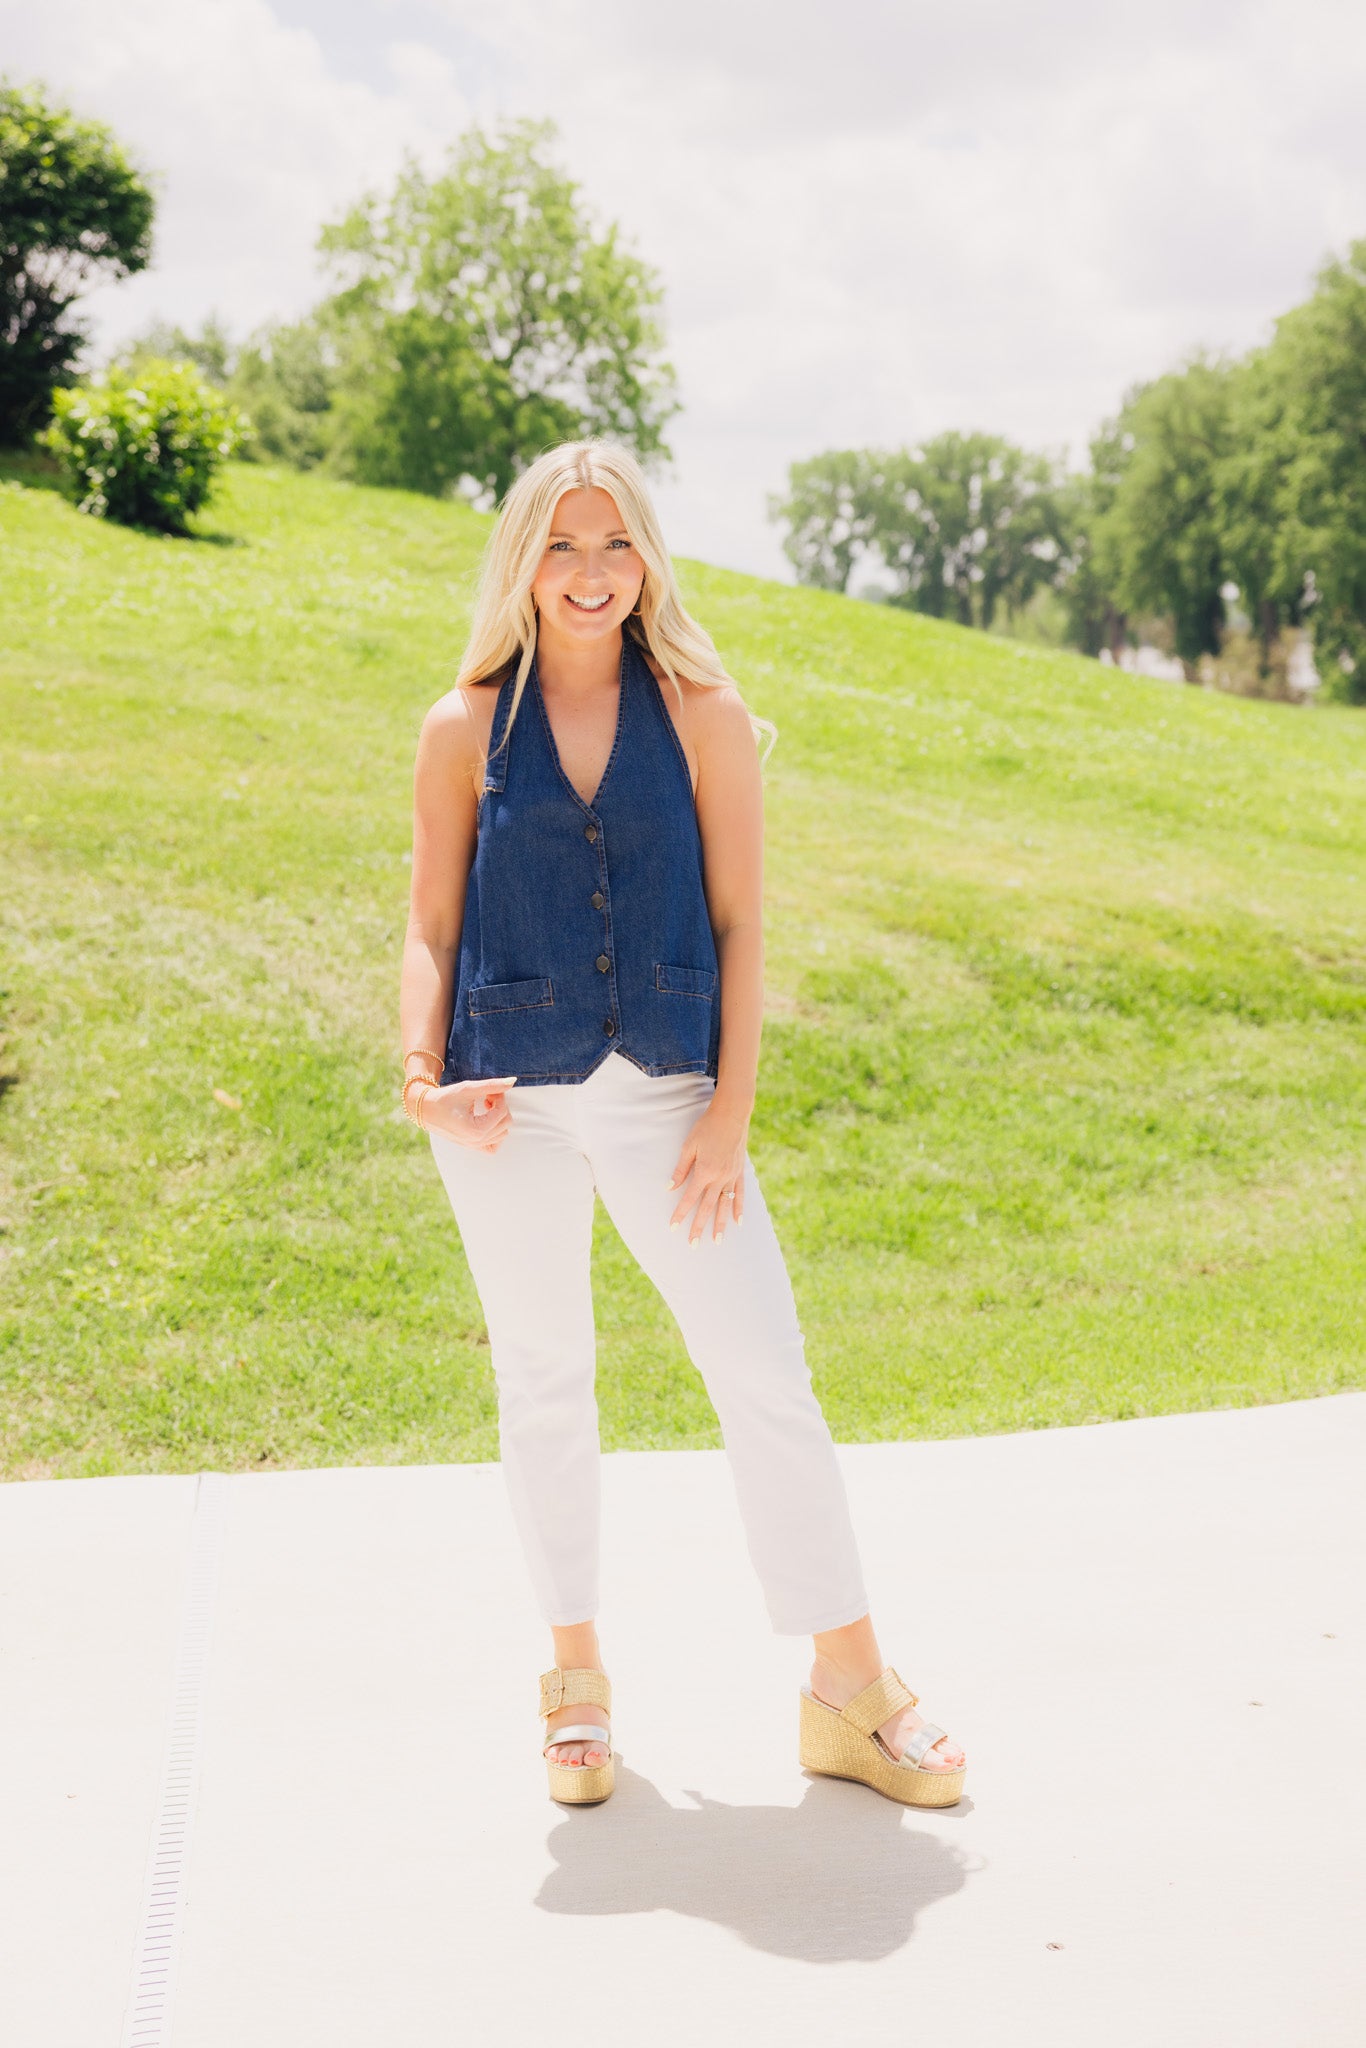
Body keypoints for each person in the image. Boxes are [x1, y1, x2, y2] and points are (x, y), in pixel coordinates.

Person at [398, 440, 966, 1810]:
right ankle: (575, 1683)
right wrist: (420, 1078)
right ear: (523, 562)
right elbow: (430, 922)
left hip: (668, 1097)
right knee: (544, 1378)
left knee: (764, 1369)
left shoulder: (704, 713)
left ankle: (847, 1690)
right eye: (562, 544)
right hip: (501, 1104)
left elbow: (741, 924)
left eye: (615, 544)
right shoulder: (462, 727)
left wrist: (729, 1114)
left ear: (647, 560)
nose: (589, 572)